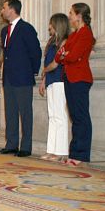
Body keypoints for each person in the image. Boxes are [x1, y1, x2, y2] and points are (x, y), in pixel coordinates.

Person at [0, 0, 41, 157]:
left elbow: (36, 52)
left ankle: (26, 147)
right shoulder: (4, 31)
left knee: (25, 112)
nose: (2, 11)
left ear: (12, 10)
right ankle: (11, 144)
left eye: (4, 7)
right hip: (8, 78)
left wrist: (33, 71)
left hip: (23, 78)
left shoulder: (26, 28)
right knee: (10, 112)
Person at [56, 3, 95, 166]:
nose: (69, 16)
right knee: (74, 116)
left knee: (81, 116)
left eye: (71, 13)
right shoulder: (73, 35)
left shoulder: (86, 33)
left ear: (79, 15)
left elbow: (73, 56)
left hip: (80, 78)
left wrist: (66, 54)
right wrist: (66, 54)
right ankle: (74, 153)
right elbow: (60, 56)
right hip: (70, 78)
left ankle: (81, 154)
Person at [38, 13, 70, 162]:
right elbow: (47, 63)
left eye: (51, 23)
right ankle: (51, 150)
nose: (49, 26)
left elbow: (55, 64)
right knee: (52, 116)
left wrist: (45, 71)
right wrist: (43, 80)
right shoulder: (51, 43)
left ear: (57, 24)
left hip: (59, 81)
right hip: (50, 81)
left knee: (60, 117)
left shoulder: (64, 42)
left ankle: (61, 150)